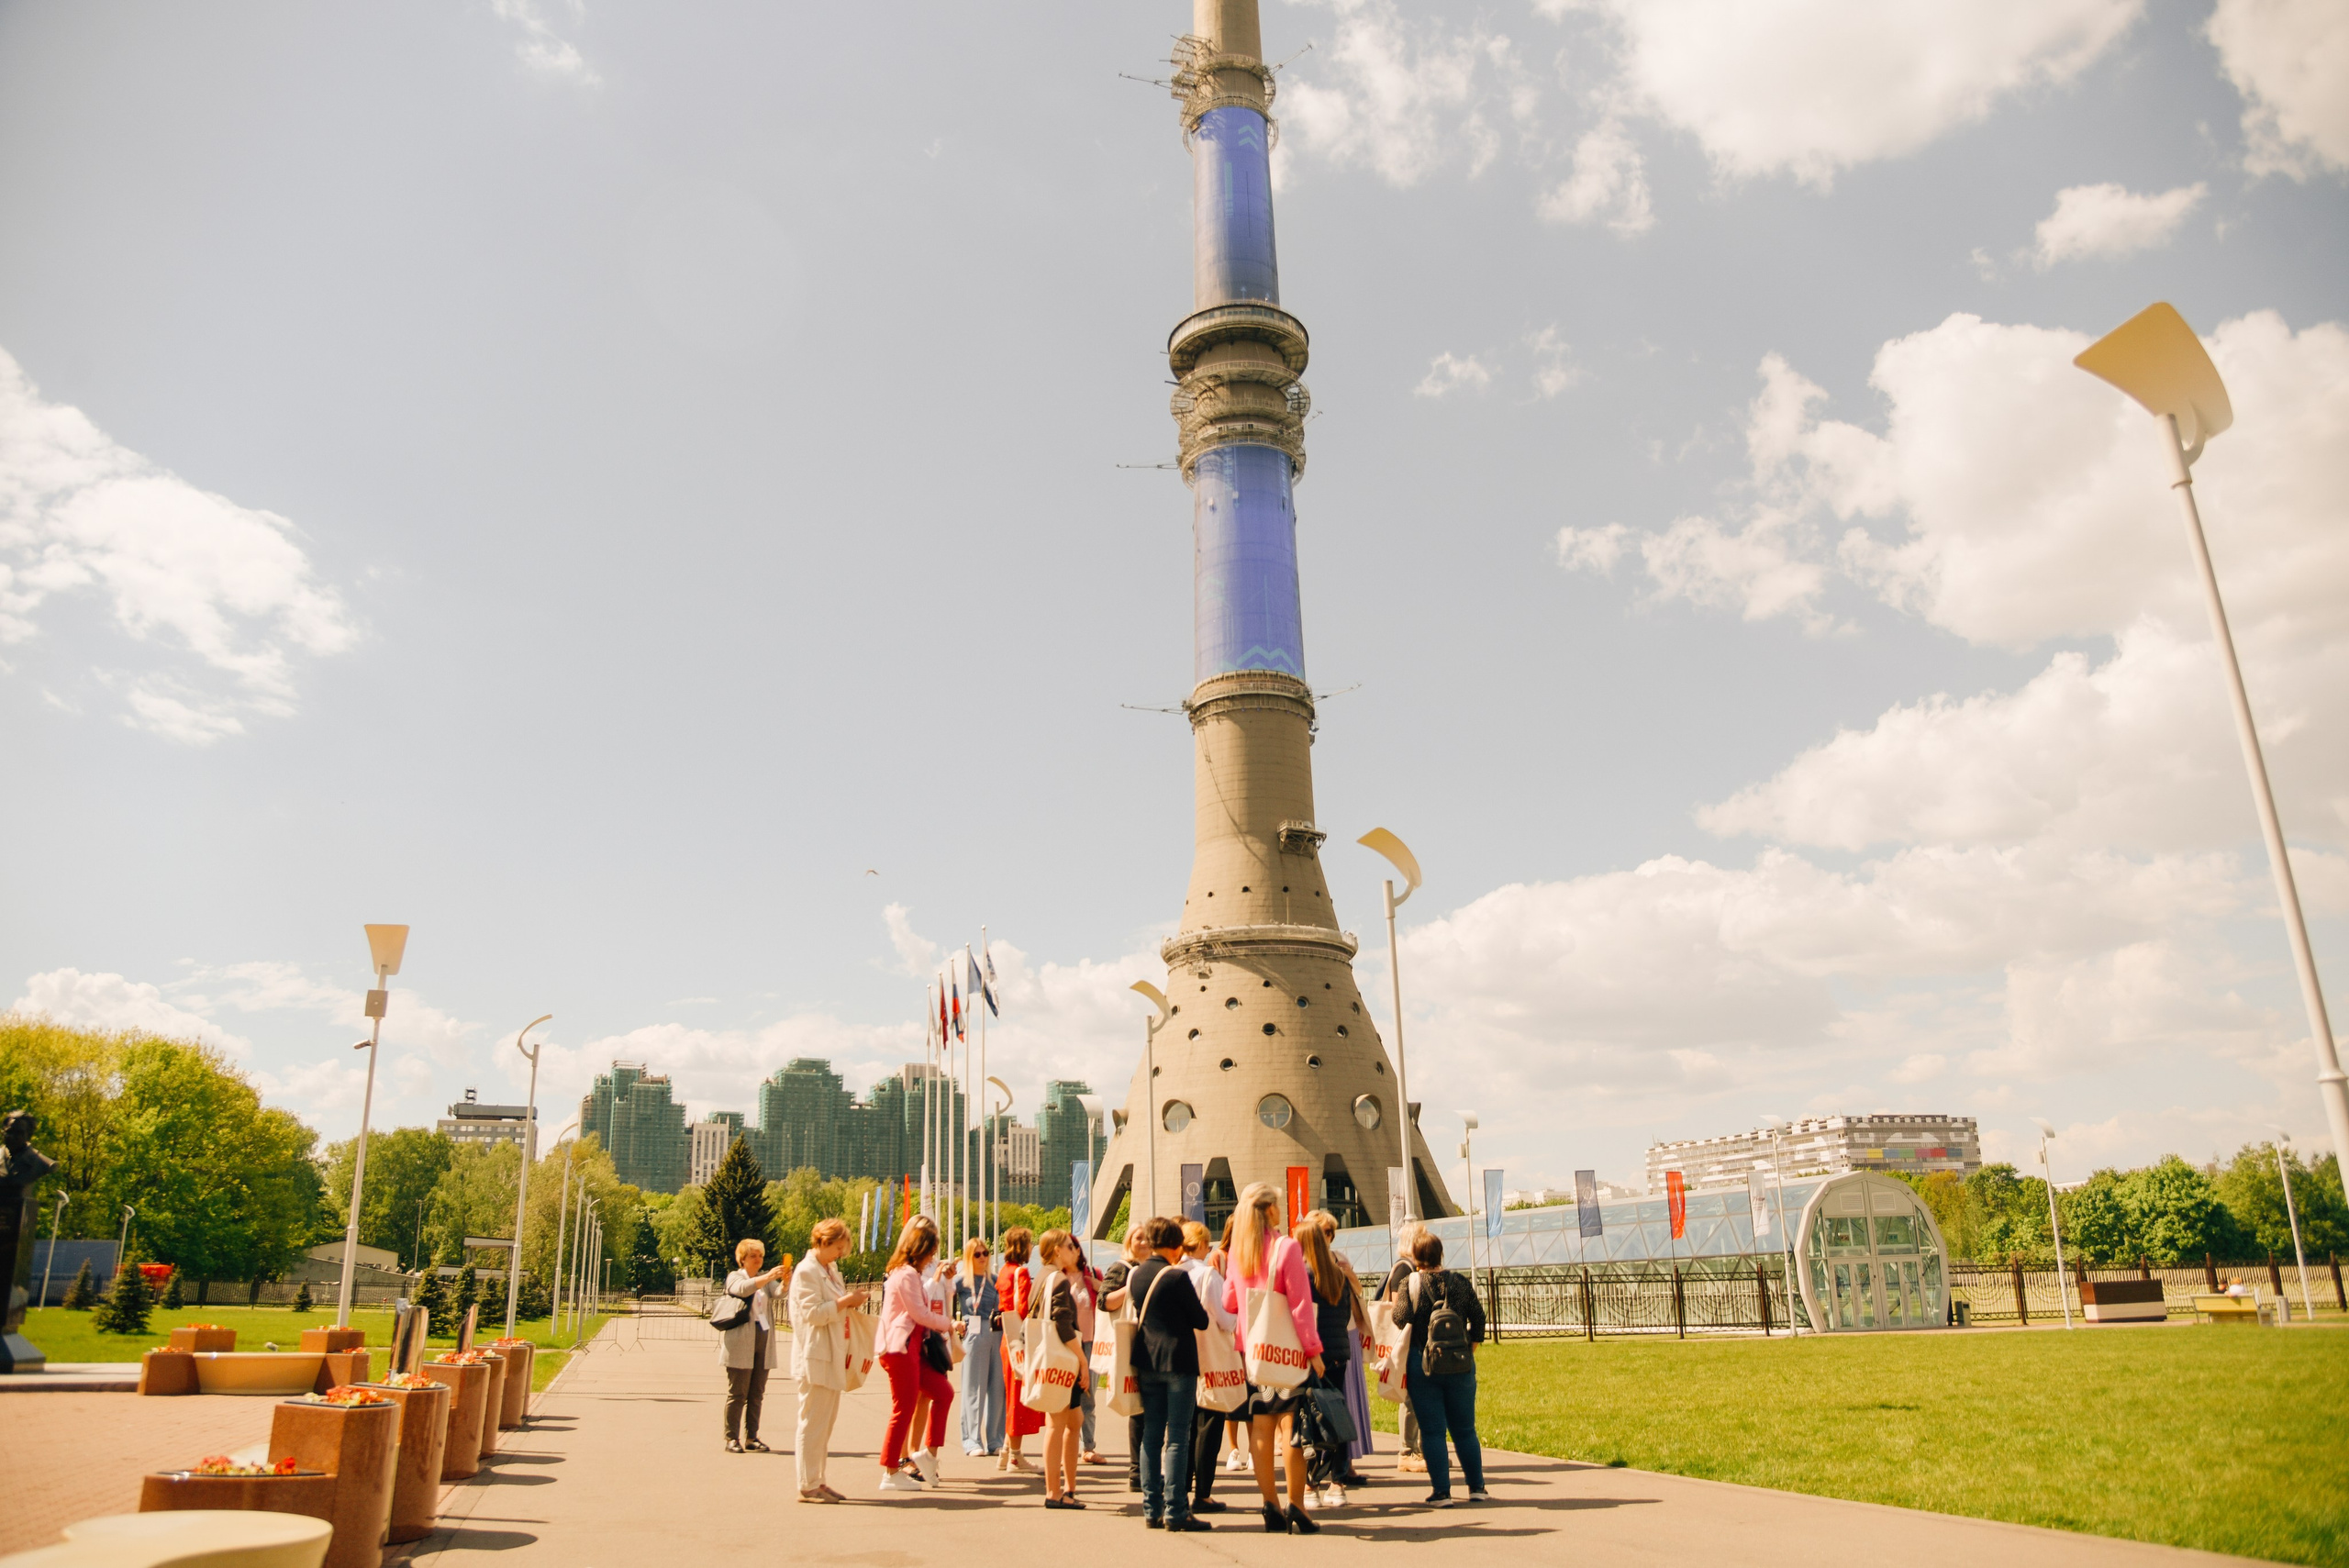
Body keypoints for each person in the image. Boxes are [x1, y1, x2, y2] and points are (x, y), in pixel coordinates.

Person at [1221, 1183, 1323, 1534]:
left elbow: (1229, 1302)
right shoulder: (1287, 1248)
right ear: (1270, 1211)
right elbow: (1299, 1306)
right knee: (1291, 1428)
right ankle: (1297, 1504)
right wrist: (1314, 1351)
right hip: (1288, 1353)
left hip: (1254, 1354)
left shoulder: (1239, 1251)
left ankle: (1270, 1505)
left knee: (1261, 1428)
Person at [1125, 1216, 1215, 1531]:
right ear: (1177, 1245)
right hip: (1178, 1361)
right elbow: (1201, 1320)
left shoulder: (1136, 1275)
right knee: (1177, 1438)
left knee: (1151, 1436)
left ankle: (1152, 1509)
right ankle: (1177, 1511)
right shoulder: (1176, 1277)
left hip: (1147, 1361)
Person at [1388, 1229, 1487, 1507]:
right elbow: (1478, 1319)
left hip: (1424, 1364)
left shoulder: (1411, 1281)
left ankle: (1442, 1492)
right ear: (1440, 1254)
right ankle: (1476, 1487)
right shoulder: (1458, 1281)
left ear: (1416, 1257)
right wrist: (1468, 1351)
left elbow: (1401, 1318)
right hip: (1460, 1365)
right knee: (1465, 1429)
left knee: (1432, 1431)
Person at [875, 1217, 962, 1494]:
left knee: (943, 1393)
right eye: (931, 1253)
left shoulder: (906, 1273)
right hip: (900, 1348)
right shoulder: (907, 1274)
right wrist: (949, 1324)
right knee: (904, 1407)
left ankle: (927, 1455)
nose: (932, 1259)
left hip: (912, 1348)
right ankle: (891, 1470)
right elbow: (920, 1314)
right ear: (922, 1250)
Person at [789, 1218, 872, 1502]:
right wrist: (847, 1300)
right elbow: (814, 1314)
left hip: (833, 1353)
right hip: (815, 1356)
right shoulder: (806, 1272)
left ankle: (819, 1479)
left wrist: (848, 1301)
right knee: (812, 1422)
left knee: (825, 1424)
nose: (840, 1253)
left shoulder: (829, 1270)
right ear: (823, 1242)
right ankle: (807, 1483)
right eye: (837, 1247)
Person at [1293, 1215, 1357, 1508]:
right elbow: (1345, 1315)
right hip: (1338, 1353)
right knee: (1336, 1414)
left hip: (1311, 1356)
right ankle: (1338, 1482)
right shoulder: (1338, 1275)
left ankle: (1310, 1484)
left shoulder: (1302, 1276)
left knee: (1309, 1419)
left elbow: (1299, 1317)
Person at [1310, 1210, 1375, 1489]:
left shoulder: (1341, 1259)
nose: (1328, 1237)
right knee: (1317, 1404)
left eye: (1331, 1232)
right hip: (1316, 1338)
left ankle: (1345, 1463)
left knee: (1345, 1401)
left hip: (1343, 1334)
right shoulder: (1303, 1263)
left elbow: (1358, 1292)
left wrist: (1348, 1276)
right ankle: (1318, 1467)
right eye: (1324, 1231)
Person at [1177, 1219, 1234, 1514]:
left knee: (1184, 1426)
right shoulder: (1208, 1275)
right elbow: (1226, 1319)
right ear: (1200, 1244)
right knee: (1209, 1425)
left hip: (1180, 1359)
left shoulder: (1172, 1273)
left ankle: (1181, 1487)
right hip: (1209, 1359)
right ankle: (1204, 1492)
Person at [1031, 1229, 1089, 1509]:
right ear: (1056, 1250)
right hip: (1062, 1358)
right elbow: (1062, 1323)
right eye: (1069, 1246)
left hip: (1054, 1358)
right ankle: (1054, 1491)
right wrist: (1082, 1359)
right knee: (1056, 1424)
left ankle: (1067, 1486)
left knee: (1073, 1420)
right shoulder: (1059, 1280)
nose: (1074, 1251)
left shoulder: (1041, 1277)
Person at [719, 1238, 787, 1454]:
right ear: (742, 1259)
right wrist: (767, 1276)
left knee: (757, 1392)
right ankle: (731, 1438)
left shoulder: (764, 1279)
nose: (758, 1260)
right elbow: (743, 1289)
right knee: (738, 1393)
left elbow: (779, 1293)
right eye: (753, 1256)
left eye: (760, 1256)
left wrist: (785, 1281)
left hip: (763, 1337)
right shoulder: (735, 1277)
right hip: (741, 1340)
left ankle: (752, 1437)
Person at [1098, 1229, 1153, 1487]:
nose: (1144, 1242)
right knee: (1138, 1409)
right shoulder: (1123, 1268)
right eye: (1138, 1238)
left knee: (1148, 1409)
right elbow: (1104, 1300)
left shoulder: (1153, 1267)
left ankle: (1145, 1468)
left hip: (1149, 1343)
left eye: (1147, 1237)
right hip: (1129, 1342)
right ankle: (1137, 1471)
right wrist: (1132, 1286)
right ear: (1129, 1243)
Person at [1377, 1220, 1427, 1473]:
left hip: (1412, 1342)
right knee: (1410, 1397)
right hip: (1406, 1343)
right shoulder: (1404, 1270)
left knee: (1418, 1396)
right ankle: (1407, 1451)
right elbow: (1400, 1310)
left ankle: (1419, 1449)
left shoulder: (1411, 1268)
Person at [996, 1229, 1043, 1473]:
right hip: (1020, 1340)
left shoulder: (1004, 1271)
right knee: (1018, 1398)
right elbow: (1023, 1308)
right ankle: (1015, 1455)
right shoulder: (1021, 1272)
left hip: (1006, 1338)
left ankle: (1006, 1451)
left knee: (1012, 1394)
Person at [955, 1239, 1004, 1455]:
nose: (983, 1257)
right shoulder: (960, 1281)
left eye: (985, 1253)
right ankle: (972, 1440)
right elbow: (941, 1298)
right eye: (977, 1254)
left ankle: (995, 1440)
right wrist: (952, 1324)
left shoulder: (995, 1280)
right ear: (969, 1257)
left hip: (995, 1333)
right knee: (974, 1388)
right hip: (973, 1334)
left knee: (997, 1389)